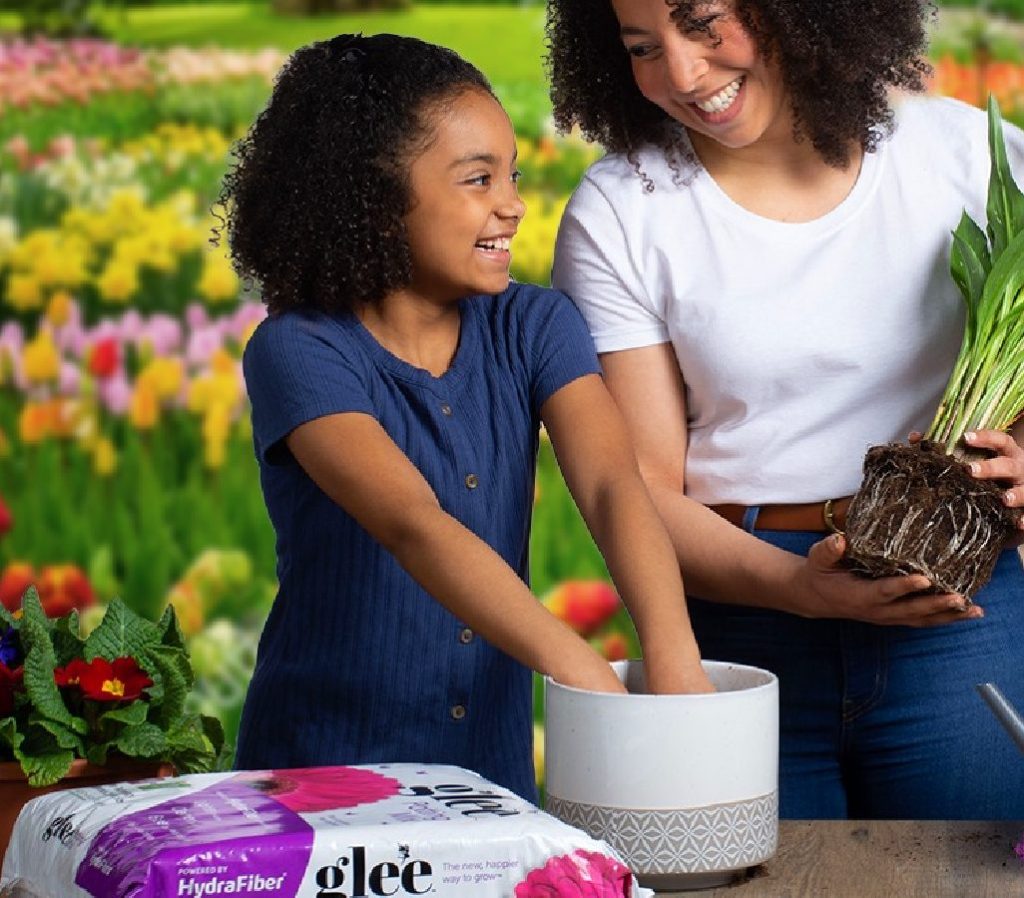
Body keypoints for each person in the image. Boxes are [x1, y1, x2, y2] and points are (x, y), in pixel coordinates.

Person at [546, 0, 1024, 818]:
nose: (684, 74)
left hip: (957, 605)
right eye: (641, 47)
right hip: (741, 618)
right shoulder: (623, 209)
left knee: (968, 875)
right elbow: (640, 486)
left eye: (703, 23)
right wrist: (802, 587)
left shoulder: (964, 157)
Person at [219, 32, 713, 803]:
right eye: (477, 180)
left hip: (487, 777)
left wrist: (674, 657)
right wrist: (579, 668)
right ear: (376, 201)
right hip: (320, 772)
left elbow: (615, 486)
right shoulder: (298, 352)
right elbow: (413, 521)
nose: (511, 204)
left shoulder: (537, 325)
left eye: (510, 174)